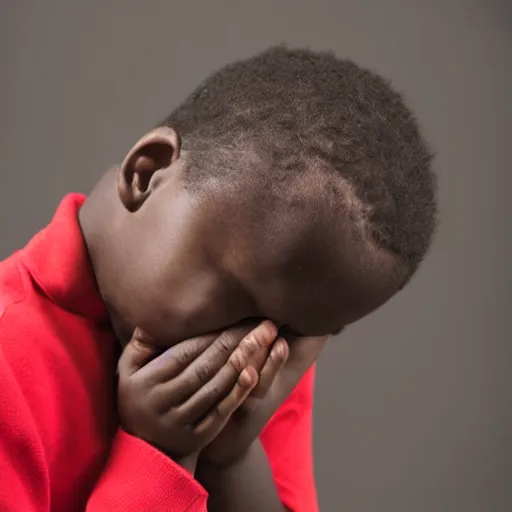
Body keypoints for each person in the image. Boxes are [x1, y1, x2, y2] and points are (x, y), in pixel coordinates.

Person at [0, 46, 437, 512]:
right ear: (146, 173)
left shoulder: (264, 372)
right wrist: (159, 458)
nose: (242, 351)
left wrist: (228, 460)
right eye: (238, 297)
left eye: (291, 334)